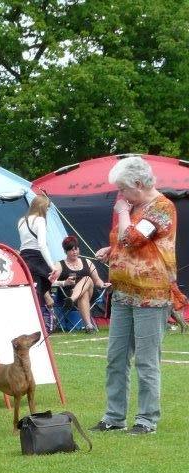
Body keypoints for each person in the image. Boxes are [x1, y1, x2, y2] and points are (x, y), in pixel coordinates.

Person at [91, 156, 176, 435]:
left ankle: (146, 419)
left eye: (124, 190)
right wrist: (110, 249)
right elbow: (125, 245)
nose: (121, 196)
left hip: (151, 297)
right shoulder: (134, 207)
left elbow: (133, 238)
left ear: (139, 184)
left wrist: (123, 213)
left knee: (146, 360)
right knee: (116, 357)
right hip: (123, 294)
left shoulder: (162, 208)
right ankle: (114, 417)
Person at [17, 195, 60, 330]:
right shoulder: (40, 220)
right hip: (36, 258)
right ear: (42, 207)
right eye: (46, 208)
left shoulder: (21, 221)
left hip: (24, 259)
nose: (47, 211)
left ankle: (29, 325)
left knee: (30, 294)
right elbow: (42, 245)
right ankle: (36, 326)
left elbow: (24, 243)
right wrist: (52, 266)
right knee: (39, 294)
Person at [55, 235, 110, 333]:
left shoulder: (87, 262)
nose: (75, 252)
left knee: (87, 279)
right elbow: (51, 282)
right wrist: (64, 282)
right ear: (65, 251)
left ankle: (72, 300)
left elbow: (97, 280)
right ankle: (89, 326)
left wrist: (102, 285)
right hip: (68, 294)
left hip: (88, 294)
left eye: (76, 249)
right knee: (83, 294)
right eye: (71, 250)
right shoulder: (59, 265)